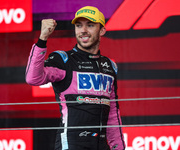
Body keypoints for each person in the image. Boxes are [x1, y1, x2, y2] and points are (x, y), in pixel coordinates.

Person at [26, 6, 125, 150]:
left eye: (90, 25)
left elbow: (113, 113)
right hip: (71, 144)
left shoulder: (109, 66)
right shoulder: (63, 60)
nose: (83, 30)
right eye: (79, 26)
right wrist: (42, 40)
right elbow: (33, 78)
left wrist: (119, 147)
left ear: (102, 30)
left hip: (101, 145)